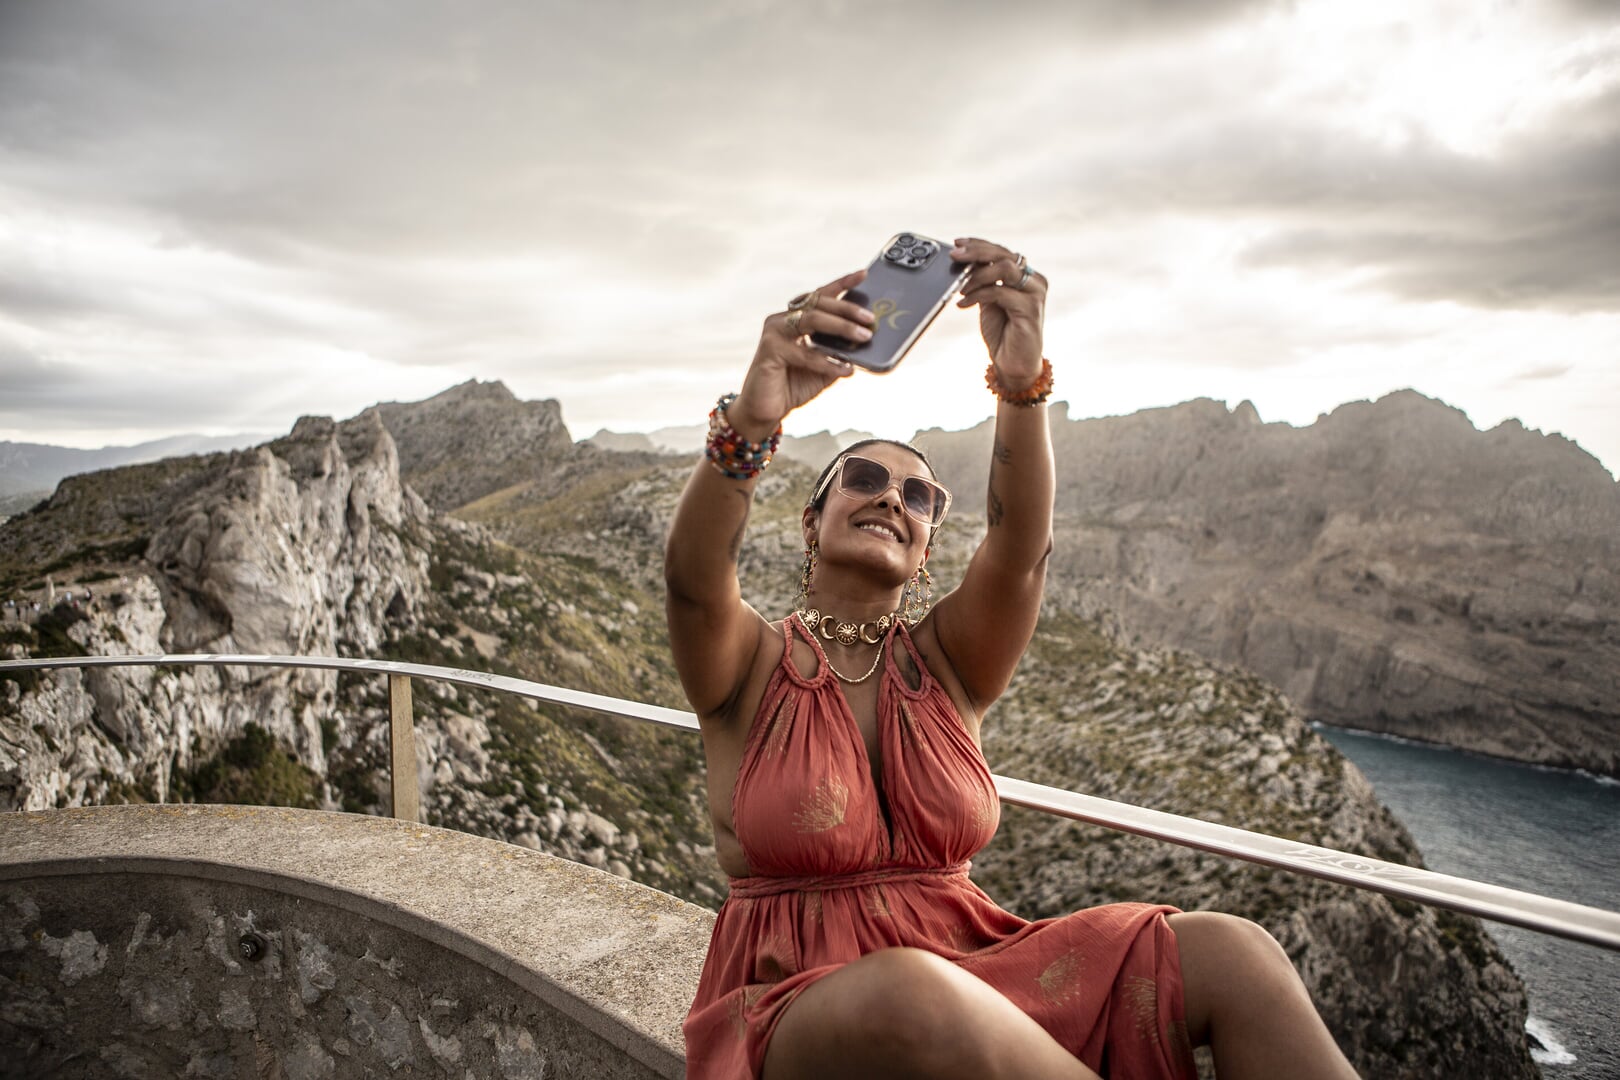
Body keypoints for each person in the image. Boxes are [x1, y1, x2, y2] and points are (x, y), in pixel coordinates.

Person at [663, 237, 1358, 1080]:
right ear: (812, 521)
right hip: (800, 1005)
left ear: (926, 552)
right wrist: (755, 420)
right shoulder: (748, 664)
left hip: (974, 968)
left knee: (1234, 953)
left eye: (919, 496)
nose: (893, 496)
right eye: (864, 480)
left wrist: (1020, 381)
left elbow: (1021, 547)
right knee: (914, 995)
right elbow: (695, 583)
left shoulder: (949, 665)